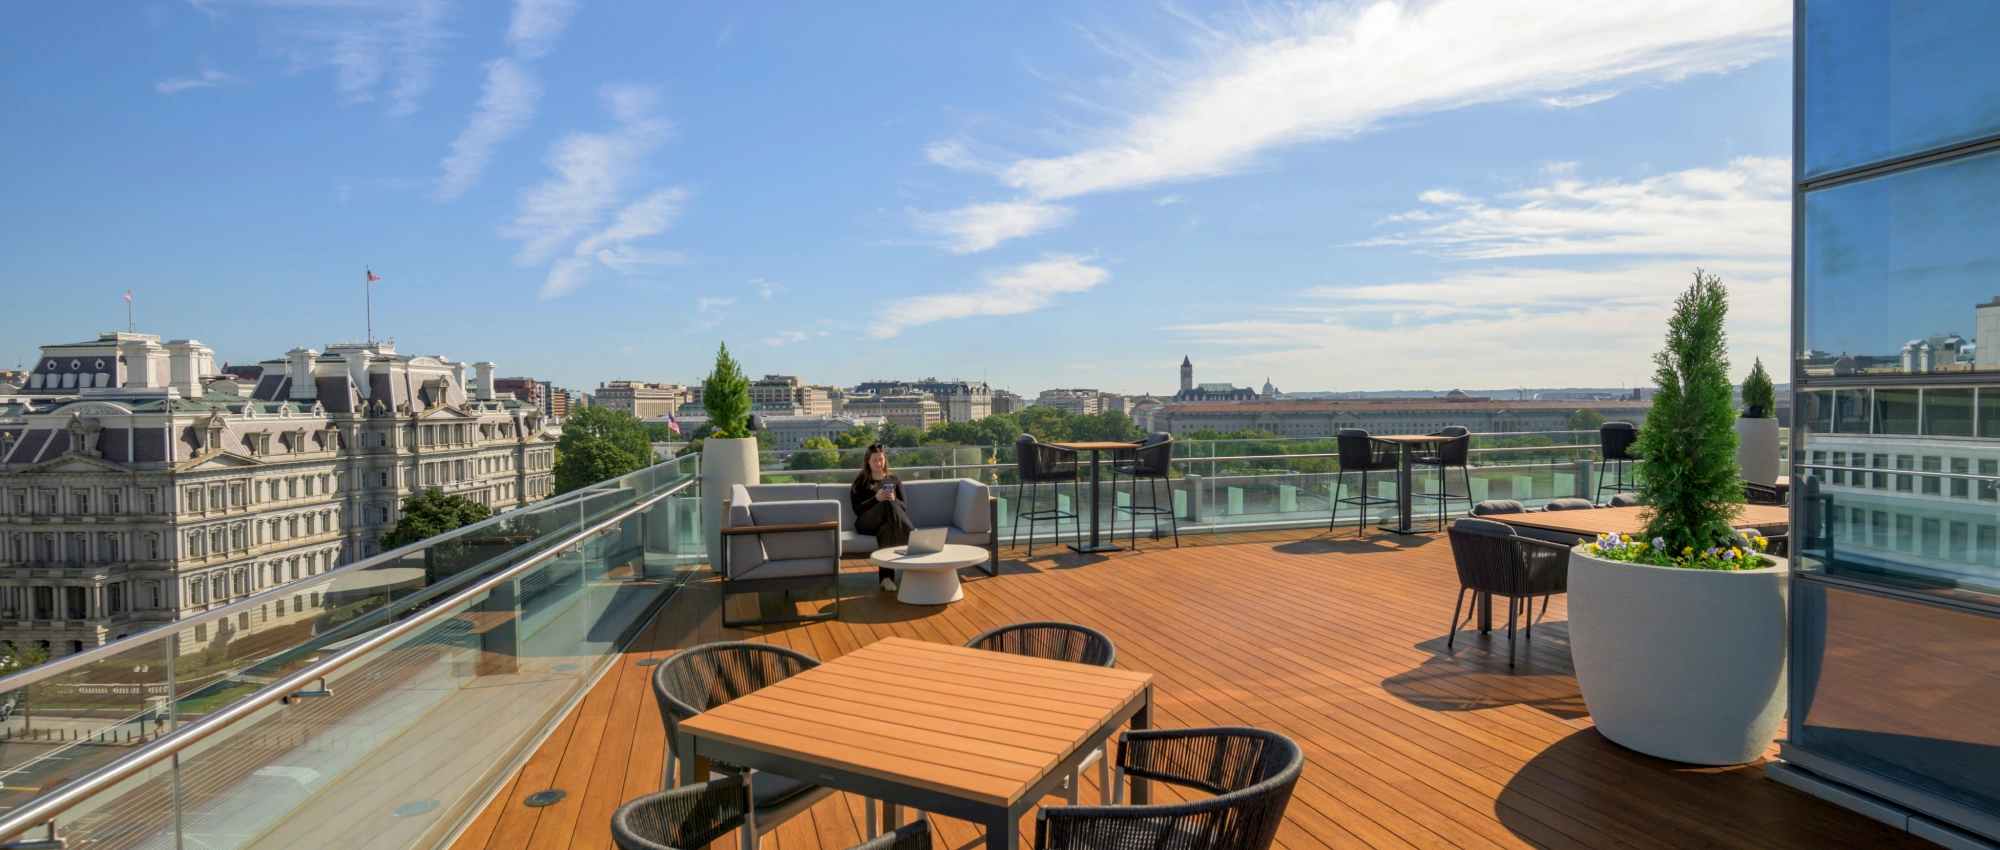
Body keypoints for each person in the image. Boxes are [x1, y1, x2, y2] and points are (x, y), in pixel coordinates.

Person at [851, 443, 913, 592]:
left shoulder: (894, 479)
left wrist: (894, 499)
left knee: (886, 529)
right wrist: (876, 499)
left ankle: (886, 579)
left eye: (881, 459)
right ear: (868, 461)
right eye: (874, 460)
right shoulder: (861, 482)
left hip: (887, 523)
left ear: (885, 460)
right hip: (865, 523)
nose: (878, 463)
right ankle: (913, 537)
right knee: (885, 503)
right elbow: (857, 510)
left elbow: (904, 507)